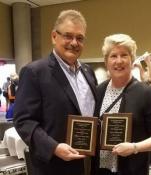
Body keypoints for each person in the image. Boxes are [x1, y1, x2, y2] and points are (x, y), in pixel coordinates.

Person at [13, 9, 97, 175]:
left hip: (89, 164)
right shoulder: (35, 72)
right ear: (54, 36)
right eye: (68, 36)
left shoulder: (88, 72)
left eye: (79, 38)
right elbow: (24, 120)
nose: (74, 42)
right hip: (54, 166)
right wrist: (54, 148)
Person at [92, 34, 151, 175]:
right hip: (100, 170)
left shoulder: (145, 93)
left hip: (132, 170)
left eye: (124, 55)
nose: (119, 61)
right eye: (113, 56)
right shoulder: (99, 91)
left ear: (132, 60)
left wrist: (135, 147)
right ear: (106, 61)